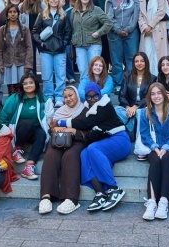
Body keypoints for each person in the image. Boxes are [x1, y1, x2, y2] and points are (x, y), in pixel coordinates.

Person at [52, 82, 131, 212]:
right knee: (84, 153)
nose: (92, 99)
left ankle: (114, 189)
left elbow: (85, 123)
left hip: (120, 140)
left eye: (95, 96)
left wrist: (60, 122)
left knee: (93, 149)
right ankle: (100, 193)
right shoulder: (89, 109)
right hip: (107, 141)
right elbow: (91, 134)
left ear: (100, 95)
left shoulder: (105, 105)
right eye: (89, 97)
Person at [39, 86, 88, 215]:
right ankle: (46, 196)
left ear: (77, 95)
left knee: (70, 156)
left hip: (77, 141)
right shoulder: (60, 111)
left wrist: (73, 131)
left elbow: (88, 131)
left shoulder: (85, 111)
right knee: (50, 155)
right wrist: (54, 129)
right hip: (60, 141)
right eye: (65, 97)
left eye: (71, 95)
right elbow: (52, 127)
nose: (68, 99)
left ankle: (71, 199)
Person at [140, 83, 169, 220]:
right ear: (149, 96)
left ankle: (163, 202)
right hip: (153, 147)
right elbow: (144, 135)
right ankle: (152, 202)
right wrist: (155, 147)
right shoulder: (145, 113)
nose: (156, 96)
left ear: (164, 94)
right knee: (155, 161)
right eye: (153, 94)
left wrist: (165, 148)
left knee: (165, 159)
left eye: (159, 93)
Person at [0, 72, 49, 180]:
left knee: (41, 133)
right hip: (18, 132)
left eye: (31, 83)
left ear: (36, 84)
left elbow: (50, 117)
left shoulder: (43, 99)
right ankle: (17, 150)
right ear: (21, 85)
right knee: (29, 123)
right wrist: (5, 133)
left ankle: (29, 166)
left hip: (34, 132)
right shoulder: (14, 98)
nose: (28, 85)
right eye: (25, 83)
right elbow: (4, 117)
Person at [32, 0, 71, 107]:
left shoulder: (63, 15)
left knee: (60, 75)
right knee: (47, 75)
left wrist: (63, 43)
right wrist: (41, 43)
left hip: (60, 49)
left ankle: (59, 97)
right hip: (46, 50)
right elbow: (35, 32)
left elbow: (68, 31)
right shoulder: (42, 15)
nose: (54, 0)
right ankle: (48, 96)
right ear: (47, 0)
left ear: (59, 0)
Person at [106, 0, 139, 94]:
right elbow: (109, 16)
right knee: (116, 60)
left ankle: (131, 83)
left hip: (131, 32)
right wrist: (118, 29)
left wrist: (129, 29)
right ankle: (118, 84)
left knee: (131, 59)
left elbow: (135, 14)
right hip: (115, 34)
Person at [72, 0, 113, 82]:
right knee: (83, 71)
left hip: (93, 45)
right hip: (79, 45)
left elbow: (108, 23)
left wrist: (98, 32)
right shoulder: (75, 11)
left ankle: (95, 94)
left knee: (95, 71)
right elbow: (73, 27)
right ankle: (84, 95)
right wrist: (73, 39)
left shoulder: (96, 10)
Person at [0, 4, 33, 95]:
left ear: (18, 14)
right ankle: (13, 106)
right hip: (8, 64)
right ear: (7, 14)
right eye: (10, 12)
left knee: (22, 87)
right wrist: (0, 65)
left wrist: (28, 64)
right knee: (11, 89)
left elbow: (29, 47)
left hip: (21, 63)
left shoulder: (24, 29)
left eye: (15, 12)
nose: (12, 14)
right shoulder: (3, 29)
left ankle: (22, 105)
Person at [116, 53, 155, 138]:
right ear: (133, 63)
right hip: (128, 108)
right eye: (136, 61)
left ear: (146, 62)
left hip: (143, 107)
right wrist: (128, 107)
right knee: (116, 110)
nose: (139, 63)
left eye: (142, 61)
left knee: (144, 113)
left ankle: (133, 127)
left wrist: (136, 107)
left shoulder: (152, 78)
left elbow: (149, 97)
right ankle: (133, 126)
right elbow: (122, 95)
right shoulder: (127, 75)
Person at [139, 0, 169, 74]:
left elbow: (161, 11)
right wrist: (145, 27)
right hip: (146, 32)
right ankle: (149, 79)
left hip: (158, 30)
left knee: (159, 56)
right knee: (147, 54)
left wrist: (150, 26)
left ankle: (160, 79)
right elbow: (139, 15)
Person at [21, 0, 45, 73]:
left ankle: (46, 75)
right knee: (31, 56)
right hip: (28, 33)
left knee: (43, 54)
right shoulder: (22, 6)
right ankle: (33, 76)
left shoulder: (42, 5)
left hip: (40, 33)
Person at [63, 0, 79, 84]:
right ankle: (69, 75)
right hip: (67, 34)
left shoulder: (81, 4)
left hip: (79, 33)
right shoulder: (63, 6)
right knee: (68, 55)